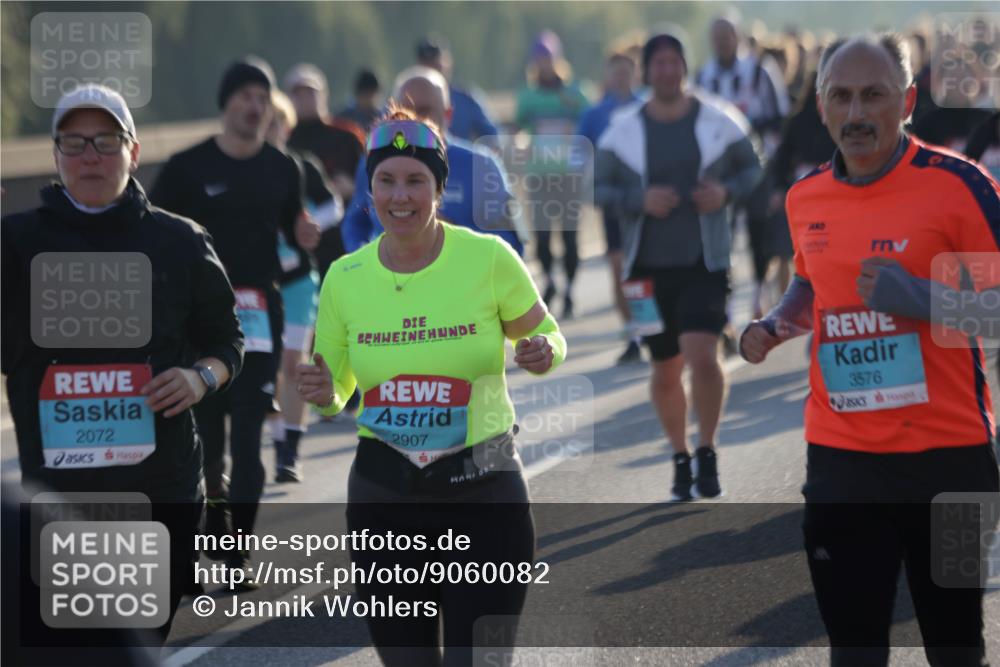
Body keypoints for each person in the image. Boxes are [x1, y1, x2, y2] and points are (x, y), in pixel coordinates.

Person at [740, 34, 1000, 666]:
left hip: (950, 458)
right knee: (854, 647)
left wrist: (918, 296)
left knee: (954, 644)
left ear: (907, 100)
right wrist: (776, 322)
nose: (856, 114)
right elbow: (810, 282)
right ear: (822, 108)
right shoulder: (807, 198)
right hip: (843, 459)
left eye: (874, 95)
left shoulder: (959, 186)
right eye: (842, 97)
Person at [296, 110, 567, 666]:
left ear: (439, 189)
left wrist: (542, 352)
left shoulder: (489, 258)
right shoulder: (344, 279)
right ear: (368, 192)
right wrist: (321, 390)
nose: (401, 196)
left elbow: (544, 335)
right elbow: (336, 395)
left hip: (484, 490)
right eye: (386, 181)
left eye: (416, 180)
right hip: (384, 498)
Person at [1, 84, 243, 648]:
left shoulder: (180, 241)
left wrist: (199, 377)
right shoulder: (16, 242)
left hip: (160, 494)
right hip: (55, 501)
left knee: (128, 647)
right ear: (57, 154)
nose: (91, 155)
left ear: (133, 152)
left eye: (106, 141)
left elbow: (228, 342)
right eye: (75, 142)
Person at [150, 57, 319, 579]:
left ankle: (236, 550)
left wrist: (303, 237)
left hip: (257, 317)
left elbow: (293, 234)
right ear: (226, 103)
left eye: (262, 97)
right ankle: (210, 534)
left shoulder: (281, 166)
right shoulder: (186, 167)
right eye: (245, 95)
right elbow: (149, 230)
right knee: (208, 448)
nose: (254, 105)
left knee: (248, 440)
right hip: (197, 323)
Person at [596, 33, 762, 501]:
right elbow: (597, 188)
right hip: (645, 270)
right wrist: (637, 199)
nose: (668, 71)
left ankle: (707, 448)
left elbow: (754, 170)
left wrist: (725, 193)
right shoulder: (624, 128)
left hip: (703, 262)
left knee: (702, 356)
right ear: (647, 71)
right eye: (659, 63)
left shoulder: (718, 119)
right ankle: (679, 454)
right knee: (665, 369)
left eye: (675, 62)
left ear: (685, 67)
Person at [341, 66, 524, 256]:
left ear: (448, 114)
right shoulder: (374, 159)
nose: (415, 120)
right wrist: (366, 260)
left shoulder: (482, 166)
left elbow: (510, 244)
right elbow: (355, 221)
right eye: (406, 110)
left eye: (424, 111)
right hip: (390, 282)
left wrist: (451, 234)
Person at [266, 90, 343, 482]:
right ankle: (279, 437)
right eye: (263, 123)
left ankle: (289, 453)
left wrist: (312, 223)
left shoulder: (301, 166)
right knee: (264, 369)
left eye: (275, 123)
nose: (269, 130)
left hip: (297, 283)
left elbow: (333, 205)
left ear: (286, 126)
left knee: (293, 363)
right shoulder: (238, 173)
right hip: (255, 289)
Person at [697, 15, 791, 323]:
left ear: (738, 37)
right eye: (718, 36)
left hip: (756, 166)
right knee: (720, 237)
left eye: (728, 36)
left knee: (757, 233)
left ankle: (758, 297)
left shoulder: (760, 70)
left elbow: (780, 116)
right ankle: (721, 305)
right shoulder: (703, 76)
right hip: (719, 169)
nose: (723, 42)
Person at [515, 29, 591, 318]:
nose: (544, 63)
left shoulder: (575, 93)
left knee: (570, 237)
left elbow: (588, 124)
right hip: (540, 174)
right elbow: (519, 127)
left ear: (557, 59)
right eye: (540, 58)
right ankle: (550, 280)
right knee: (543, 238)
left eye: (548, 58)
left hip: (568, 175)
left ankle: (569, 289)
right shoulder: (528, 96)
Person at [578, 50, 644, 364]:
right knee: (619, 269)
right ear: (607, 75)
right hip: (613, 204)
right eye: (615, 72)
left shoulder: (647, 107)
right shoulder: (595, 114)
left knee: (646, 268)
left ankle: (651, 329)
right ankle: (632, 333)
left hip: (645, 203)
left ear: (635, 75)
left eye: (626, 72)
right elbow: (579, 153)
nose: (620, 78)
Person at [284, 62, 367, 276]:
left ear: (324, 95)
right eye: (298, 93)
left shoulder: (348, 136)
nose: (304, 99)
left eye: (310, 92)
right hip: (299, 249)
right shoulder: (283, 141)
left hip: (345, 242)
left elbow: (374, 179)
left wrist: (353, 188)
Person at [416, 34, 500, 147]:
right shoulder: (406, 99)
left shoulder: (466, 100)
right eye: (427, 67)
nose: (432, 72)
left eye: (436, 66)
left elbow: (493, 138)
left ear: (448, 64)